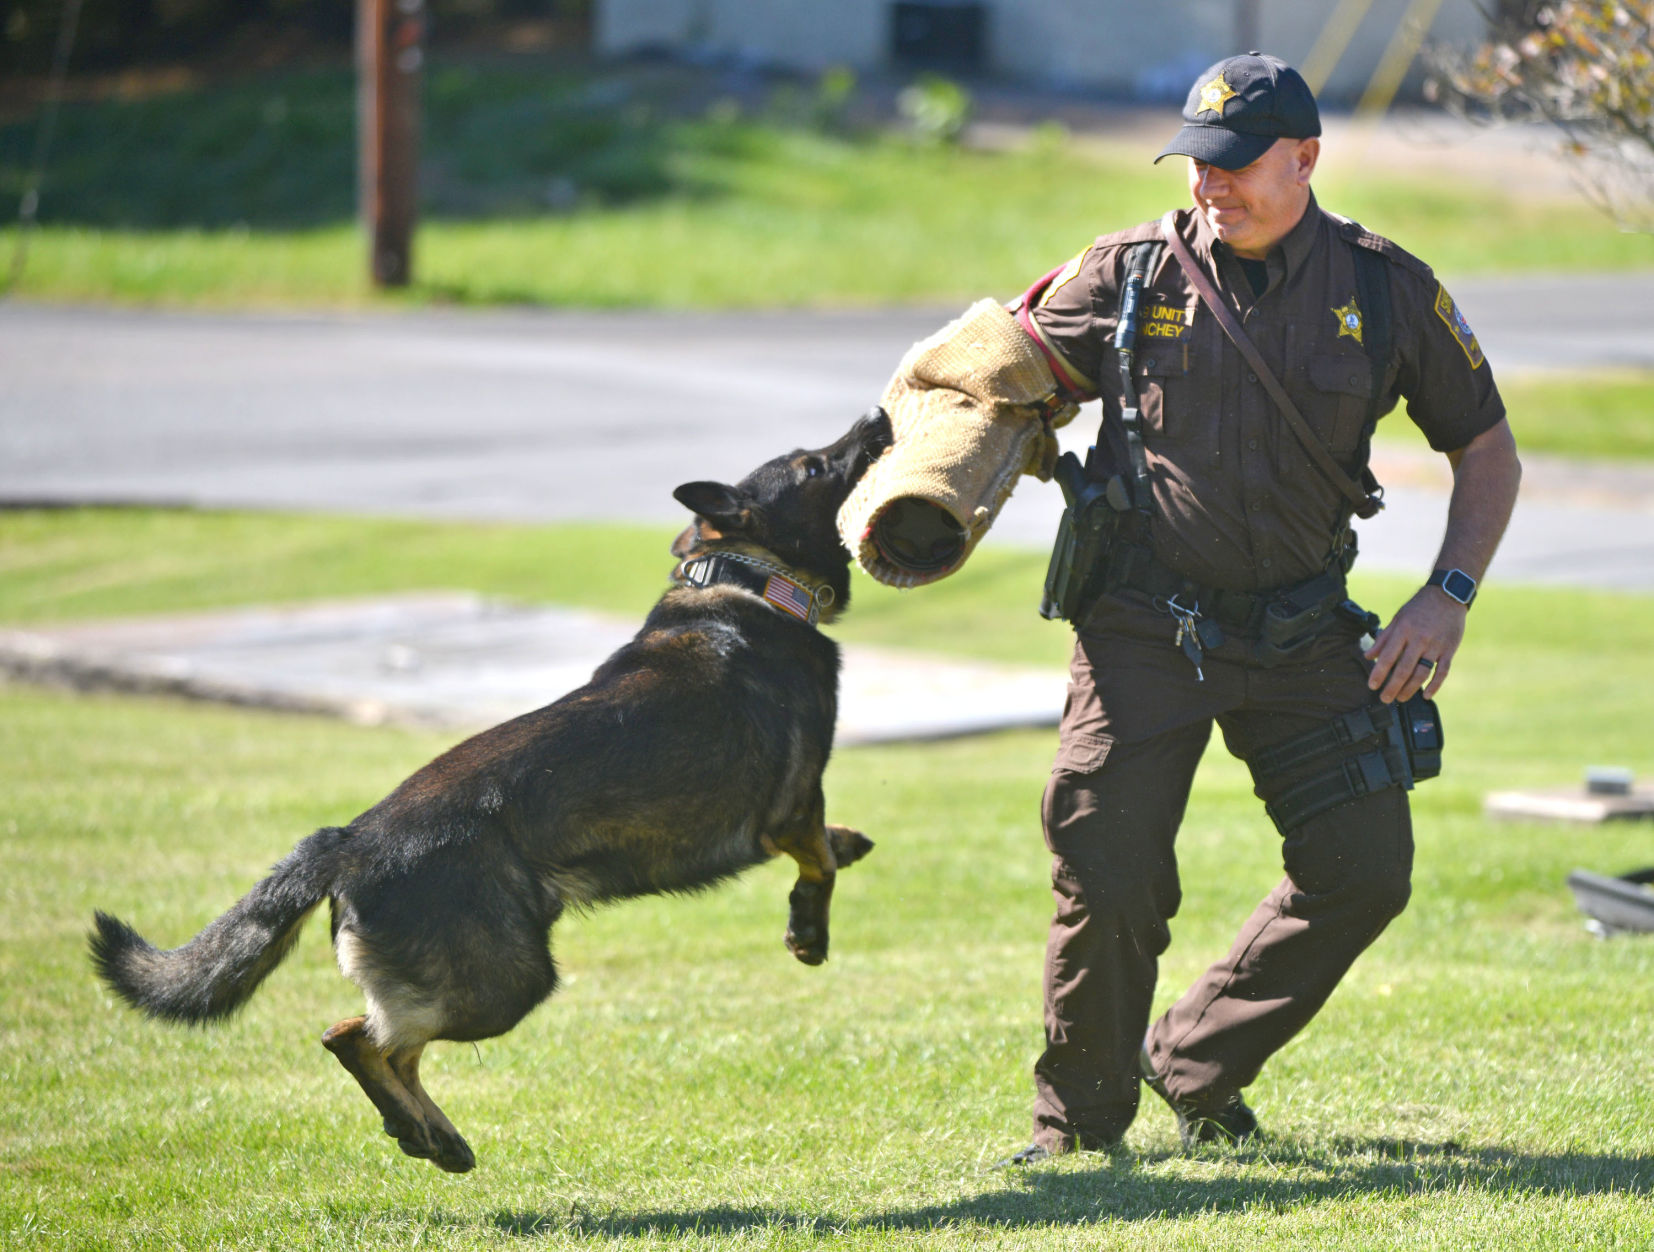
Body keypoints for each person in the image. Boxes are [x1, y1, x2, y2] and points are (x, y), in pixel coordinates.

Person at [986, 52, 1523, 1161]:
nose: (1209, 187)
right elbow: (996, 372)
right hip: (1142, 622)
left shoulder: (1383, 287)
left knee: (1364, 868)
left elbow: (1485, 445)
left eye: (1234, 166)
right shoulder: (1129, 273)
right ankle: (1077, 1136)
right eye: (1196, 164)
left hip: (1298, 625)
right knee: (1109, 867)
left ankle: (1194, 1061)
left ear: (1306, 160)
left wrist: (1447, 594)